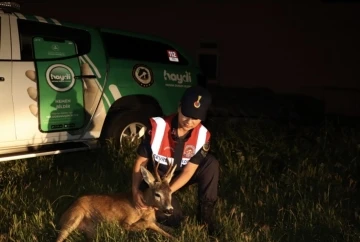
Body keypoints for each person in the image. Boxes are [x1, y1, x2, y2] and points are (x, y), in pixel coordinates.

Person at [131, 85, 219, 234]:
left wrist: (169, 191)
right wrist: (135, 190)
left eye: (195, 118)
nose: (189, 121)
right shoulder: (157, 128)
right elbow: (141, 162)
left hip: (179, 177)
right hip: (158, 181)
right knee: (174, 219)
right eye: (186, 114)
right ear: (179, 107)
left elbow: (189, 171)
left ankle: (206, 217)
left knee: (211, 163)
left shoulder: (203, 136)